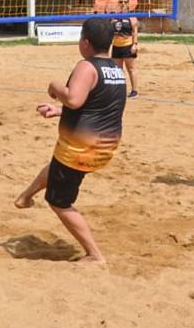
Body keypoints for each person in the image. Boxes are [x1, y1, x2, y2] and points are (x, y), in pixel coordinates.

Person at [14, 17, 127, 264]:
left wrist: (54, 86)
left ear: (85, 43)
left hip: (83, 148)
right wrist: (59, 111)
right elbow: (96, 107)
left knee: (58, 201)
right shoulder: (115, 69)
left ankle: (95, 255)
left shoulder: (86, 67)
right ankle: (25, 197)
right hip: (104, 144)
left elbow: (74, 100)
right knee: (57, 166)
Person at [111, 0, 139, 98]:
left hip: (127, 45)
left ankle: (135, 90)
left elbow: (135, 31)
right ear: (118, 3)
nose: (123, 4)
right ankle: (119, 91)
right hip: (116, 46)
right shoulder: (114, 17)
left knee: (130, 68)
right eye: (121, 2)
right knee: (117, 70)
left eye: (125, 2)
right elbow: (111, 30)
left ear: (128, 4)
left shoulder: (131, 17)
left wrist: (134, 45)